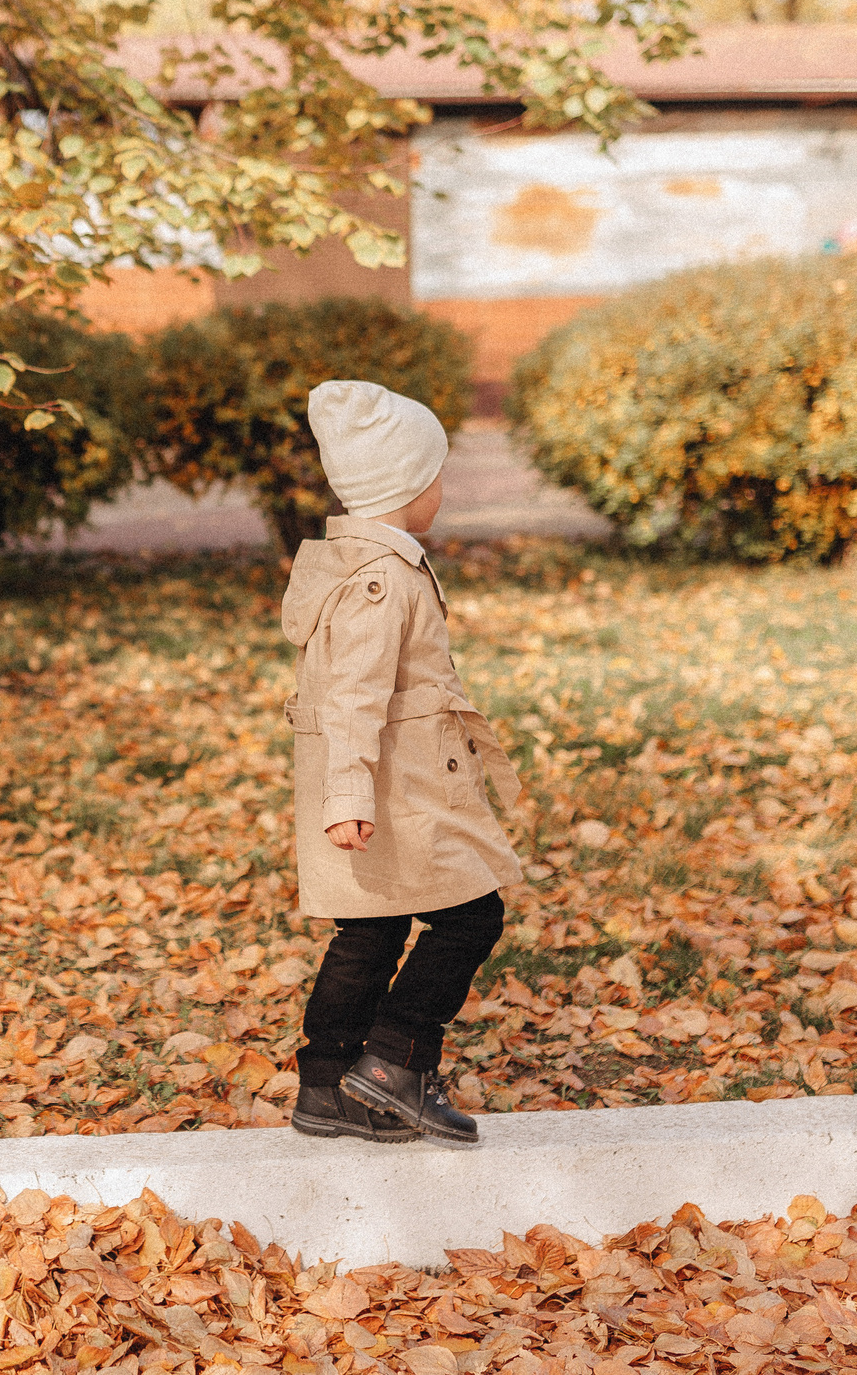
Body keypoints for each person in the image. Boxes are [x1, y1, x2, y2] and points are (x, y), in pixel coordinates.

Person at [279, 380, 525, 1146]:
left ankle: (326, 1085)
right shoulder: (380, 581)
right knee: (472, 915)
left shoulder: (361, 565)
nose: (441, 490)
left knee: (370, 929)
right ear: (407, 487)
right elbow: (354, 694)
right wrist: (349, 794)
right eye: (436, 475)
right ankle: (395, 1059)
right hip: (396, 784)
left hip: (389, 776)